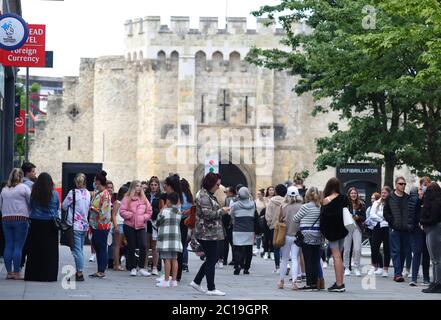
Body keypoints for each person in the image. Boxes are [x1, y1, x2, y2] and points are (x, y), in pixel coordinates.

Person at [190, 173, 230, 296]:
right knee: (212, 259)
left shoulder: (208, 195)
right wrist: (222, 211)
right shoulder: (204, 196)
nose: (218, 187)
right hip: (206, 233)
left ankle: (196, 282)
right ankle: (211, 288)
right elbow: (208, 215)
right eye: (217, 184)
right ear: (211, 183)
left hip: (210, 232)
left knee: (211, 259)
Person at [25, 172, 59, 282]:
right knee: (50, 251)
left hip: (35, 223)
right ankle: (49, 275)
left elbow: (30, 205)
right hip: (50, 224)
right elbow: (57, 207)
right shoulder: (55, 194)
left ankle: (33, 275)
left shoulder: (34, 193)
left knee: (34, 250)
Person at [0, 168, 31, 280]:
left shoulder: (4, 189)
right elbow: (30, 201)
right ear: (21, 176)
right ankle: (16, 272)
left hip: (6, 219)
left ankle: (9, 273)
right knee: (18, 246)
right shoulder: (24, 188)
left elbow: (1, 205)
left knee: (8, 245)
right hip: (20, 219)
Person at [320, 177, 348, 292]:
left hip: (332, 232)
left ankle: (339, 284)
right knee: (339, 257)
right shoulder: (344, 198)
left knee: (336, 256)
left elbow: (323, 217)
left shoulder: (326, 200)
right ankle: (340, 282)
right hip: (342, 230)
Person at [62, 173, 91, 281]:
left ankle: (79, 273)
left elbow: (64, 206)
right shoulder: (88, 193)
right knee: (80, 249)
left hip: (74, 226)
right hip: (84, 225)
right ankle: (79, 271)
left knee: (76, 250)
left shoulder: (72, 193)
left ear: (75, 181)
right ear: (84, 182)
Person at [120, 180, 153, 277]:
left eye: (140, 186)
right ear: (133, 187)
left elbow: (149, 211)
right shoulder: (126, 198)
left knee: (143, 245)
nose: (139, 188)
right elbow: (122, 211)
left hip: (141, 225)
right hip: (129, 225)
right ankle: (133, 267)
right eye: (137, 186)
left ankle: (141, 267)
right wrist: (131, 215)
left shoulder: (144, 198)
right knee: (131, 246)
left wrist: (143, 217)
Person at [383, 176, 412, 283]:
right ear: (396, 185)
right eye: (401, 184)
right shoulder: (389, 198)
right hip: (394, 229)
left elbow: (411, 213)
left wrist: (409, 224)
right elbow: (385, 213)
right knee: (396, 251)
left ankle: (399, 272)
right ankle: (397, 274)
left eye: (404, 184)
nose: (403, 185)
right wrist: (392, 222)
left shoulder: (408, 198)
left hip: (406, 229)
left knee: (404, 252)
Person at [294, 187, 323, 290]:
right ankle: (315, 282)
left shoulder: (305, 207)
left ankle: (310, 284)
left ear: (307, 196)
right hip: (318, 235)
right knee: (315, 260)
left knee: (308, 260)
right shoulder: (320, 207)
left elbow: (295, 218)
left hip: (307, 235)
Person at [277, 186, 303, 289]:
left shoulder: (283, 206)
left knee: (284, 259)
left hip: (285, 235)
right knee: (295, 259)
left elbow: (279, 219)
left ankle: (281, 281)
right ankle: (294, 282)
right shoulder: (301, 206)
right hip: (297, 236)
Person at [88, 171, 112, 279]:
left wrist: (92, 208)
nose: (94, 183)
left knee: (101, 246)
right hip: (95, 224)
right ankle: (99, 269)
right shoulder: (98, 193)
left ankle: (101, 270)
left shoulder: (105, 194)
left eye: (95, 181)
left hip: (101, 225)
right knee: (97, 245)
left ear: (98, 182)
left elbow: (104, 212)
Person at [156, 192, 182, 288]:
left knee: (167, 259)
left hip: (166, 240)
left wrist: (164, 207)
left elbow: (157, 222)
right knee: (174, 259)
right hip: (175, 240)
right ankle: (174, 280)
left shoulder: (164, 212)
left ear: (168, 201)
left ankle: (166, 280)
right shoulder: (179, 212)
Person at [420, 182, 441, 293]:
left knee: (436, 259)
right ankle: (435, 282)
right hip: (432, 229)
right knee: (434, 259)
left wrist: (422, 222)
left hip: (434, 229)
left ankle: (438, 283)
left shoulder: (436, 203)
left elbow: (433, 218)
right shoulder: (435, 202)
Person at [230, 187, 255, 275]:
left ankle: (237, 266)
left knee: (237, 249)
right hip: (249, 230)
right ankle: (246, 268)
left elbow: (232, 215)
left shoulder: (235, 205)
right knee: (249, 250)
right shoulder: (253, 204)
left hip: (238, 229)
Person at [343, 187, 366, 277]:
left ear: (357, 195)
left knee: (357, 249)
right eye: (352, 193)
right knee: (347, 249)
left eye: (355, 193)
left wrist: (357, 217)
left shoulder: (361, 204)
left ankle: (356, 267)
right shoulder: (345, 204)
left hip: (357, 227)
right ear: (349, 194)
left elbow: (364, 217)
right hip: (347, 227)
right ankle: (347, 268)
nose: (353, 195)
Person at [265, 184, 287, 272]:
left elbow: (268, 215)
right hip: (284, 226)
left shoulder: (271, 201)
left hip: (274, 226)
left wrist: (269, 223)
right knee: (285, 247)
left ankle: (277, 267)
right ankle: (286, 264)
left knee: (276, 247)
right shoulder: (286, 201)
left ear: (276, 192)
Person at [146, 176, 161, 275]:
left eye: (155, 185)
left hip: (156, 222)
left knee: (155, 246)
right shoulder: (146, 195)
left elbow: (160, 210)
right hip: (146, 221)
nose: (153, 187)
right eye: (151, 185)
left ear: (158, 186)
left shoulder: (160, 196)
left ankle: (155, 266)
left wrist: (151, 209)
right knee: (146, 245)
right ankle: (145, 265)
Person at [365, 192, 383, 275]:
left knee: (375, 248)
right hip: (370, 229)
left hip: (376, 228)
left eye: (374, 198)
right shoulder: (369, 208)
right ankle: (374, 265)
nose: (372, 200)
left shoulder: (378, 207)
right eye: (371, 198)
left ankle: (380, 266)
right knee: (373, 248)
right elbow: (368, 218)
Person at [110, 185, 128, 271]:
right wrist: (116, 226)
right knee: (117, 245)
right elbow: (113, 215)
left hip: (125, 224)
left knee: (122, 245)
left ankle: (118, 264)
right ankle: (116, 264)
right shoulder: (117, 202)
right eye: (126, 194)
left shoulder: (126, 203)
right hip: (119, 224)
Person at [419, 177, 432, 285]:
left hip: (433, 228)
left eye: (426, 184)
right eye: (423, 184)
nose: (424, 186)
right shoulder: (421, 198)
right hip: (423, 229)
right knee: (426, 254)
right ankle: (426, 276)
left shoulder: (434, 197)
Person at [180, 178, 194, 274]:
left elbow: (181, 209)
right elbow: (192, 208)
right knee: (185, 244)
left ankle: (181, 263)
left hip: (181, 220)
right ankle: (185, 264)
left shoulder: (181, 196)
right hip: (188, 221)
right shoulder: (190, 196)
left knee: (181, 244)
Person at [255, 189, 266, 256]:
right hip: (257, 219)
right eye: (257, 194)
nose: (258, 195)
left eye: (259, 194)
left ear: (262, 194)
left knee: (264, 234)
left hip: (264, 219)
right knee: (258, 234)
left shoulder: (266, 201)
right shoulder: (256, 201)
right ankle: (258, 248)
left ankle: (263, 247)